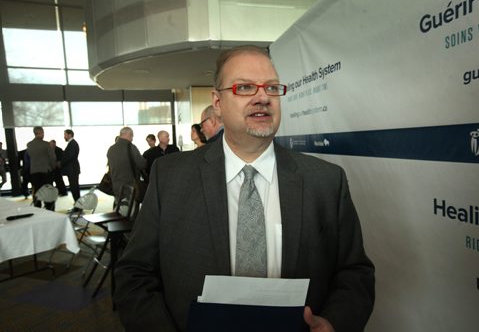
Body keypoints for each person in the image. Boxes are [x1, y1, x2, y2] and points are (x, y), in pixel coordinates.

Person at [114, 46, 375, 332]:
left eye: (272, 88)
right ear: (217, 102)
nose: (263, 97)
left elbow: (355, 274)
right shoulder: (170, 177)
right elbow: (135, 275)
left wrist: (335, 323)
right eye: (245, 87)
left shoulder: (326, 181)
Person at [106, 127, 146, 202]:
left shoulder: (111, 149)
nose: (132, 138)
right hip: (130, 185)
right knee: (132, 209)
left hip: (115, 185)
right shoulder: (131, 147)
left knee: (120, 207)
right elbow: (141, 164)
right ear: (129, 135)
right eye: (132, 136)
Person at [26, 126, 56, 208]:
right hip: (46, 171)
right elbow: (52, 157)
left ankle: (37, 208)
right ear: (40, 133)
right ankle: (49, 208)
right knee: (48, 191)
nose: (43, 134)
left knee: (37, 191)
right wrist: (53, 167)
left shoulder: (29, 145)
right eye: (43, 132)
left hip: (34, 171)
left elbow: (29, 158)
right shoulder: (46, 144)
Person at [60, 129, 81, 204]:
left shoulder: (72, 144)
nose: (64, 136)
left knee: (74, 188)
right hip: (73, 169)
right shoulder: (72, 143)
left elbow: (70, 157)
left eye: (65, 135)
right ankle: (77, 205)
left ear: (70, 135)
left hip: (72, 169)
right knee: (74, 187)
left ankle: (78, 206)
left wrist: (60, 163)